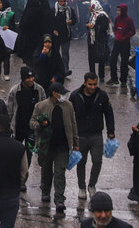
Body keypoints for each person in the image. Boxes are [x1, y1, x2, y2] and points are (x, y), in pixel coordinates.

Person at [30, 82, 79, 216]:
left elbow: (73, 124)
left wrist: (75, 142)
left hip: (62, 146)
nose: (63, 95)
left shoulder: (68, 106)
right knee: (46, 171)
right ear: (54, 93)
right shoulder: (40, 106)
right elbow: (32, 123)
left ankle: (59, 199)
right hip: (46, 146)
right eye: (61, 93)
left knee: (59, 172)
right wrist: (41, 124)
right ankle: (45, 191)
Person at [70, 72, 115, 198]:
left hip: (96, 135)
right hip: (80, 135)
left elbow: (109, 113)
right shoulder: (74, 96)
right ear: (85, 83)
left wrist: (111, 131)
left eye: (95, 84)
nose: (93, 87)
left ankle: (92, 185)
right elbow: (68, 116)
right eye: (90, 84)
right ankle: (82, 187)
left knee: (97, 161)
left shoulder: (102, 96)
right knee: (81, 162)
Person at [7, 66, 45, 171]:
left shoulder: (39, 90)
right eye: (28, 78)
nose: (31, 80)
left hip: (31, 129)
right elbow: (9, 110)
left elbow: (44, 107)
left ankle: (23, 176)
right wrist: (8, 126)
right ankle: (15, 173)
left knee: (28, 153)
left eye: (32, 77)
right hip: (18, 128)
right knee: (16, 153)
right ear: (23, 79)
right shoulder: (14, 91)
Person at [109, 4, 135, 86]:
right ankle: (114, 78)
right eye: (117, 10)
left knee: (124, 62)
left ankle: (123, 80)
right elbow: (115, 28)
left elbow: (133, 31)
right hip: (117, 42)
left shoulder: (129, 20)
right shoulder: (117, 19)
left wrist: (125, 37)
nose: (118, 12)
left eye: (119, 11)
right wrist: (116, 34)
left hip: (125, 43)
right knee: (113, 59)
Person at [86, 0, 111, 81]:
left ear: (94, 6)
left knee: (101, 59)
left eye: (90, 6)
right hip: (92, 40)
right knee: (91, 59)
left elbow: (104, 28)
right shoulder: (92, 15)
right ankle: (92, 76)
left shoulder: (102, 15)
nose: (89, 7)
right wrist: (89, 26)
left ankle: (101, 76)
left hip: (100, 41)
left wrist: (93, 26)